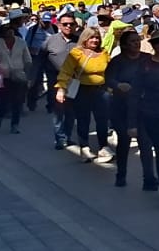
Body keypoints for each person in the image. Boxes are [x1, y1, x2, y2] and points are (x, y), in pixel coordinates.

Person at [106, 28, 156, 189]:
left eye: (138, 40)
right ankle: (121, 174)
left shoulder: (148, 59)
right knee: (124, 141)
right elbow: (108, 79)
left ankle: (149, 178)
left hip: (143, 107)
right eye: (133, 41)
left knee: (145, 143)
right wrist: (118, 85)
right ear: (125, 45)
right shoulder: (118, 61)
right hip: (122, 107)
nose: (136, 44)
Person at [56, 28, 112, 162]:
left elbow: (110, 71)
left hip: (101, 90)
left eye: (97, 37)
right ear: (85, 39)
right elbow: (66, 72)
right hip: (82, 90)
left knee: (103, 120)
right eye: (91, 37)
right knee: (83, 120)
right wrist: (61, 88)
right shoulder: (76, 53)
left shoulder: (104, 53)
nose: (95, 40)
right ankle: (84, 148)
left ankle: (103, 147)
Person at [42, 12, 80, 150]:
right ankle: (60, 138)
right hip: (55, 82)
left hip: (74, 83)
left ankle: (67, 137)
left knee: (71, 112)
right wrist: (34, 78)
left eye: (71, 24)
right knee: (58, 111)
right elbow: (40, 60)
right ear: (58, 25)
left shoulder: (80, 40)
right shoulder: (50, 40)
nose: (68, 26)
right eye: (65, 24)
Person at [0, 22, 31, 134]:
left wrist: (28, 75)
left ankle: (15, 125)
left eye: (11, 30)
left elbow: (27, 59)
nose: (9, 32)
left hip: (19, 75)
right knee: (3, 99)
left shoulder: (21, 42)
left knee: (17, 101)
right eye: (6, 30)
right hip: (3, 75)